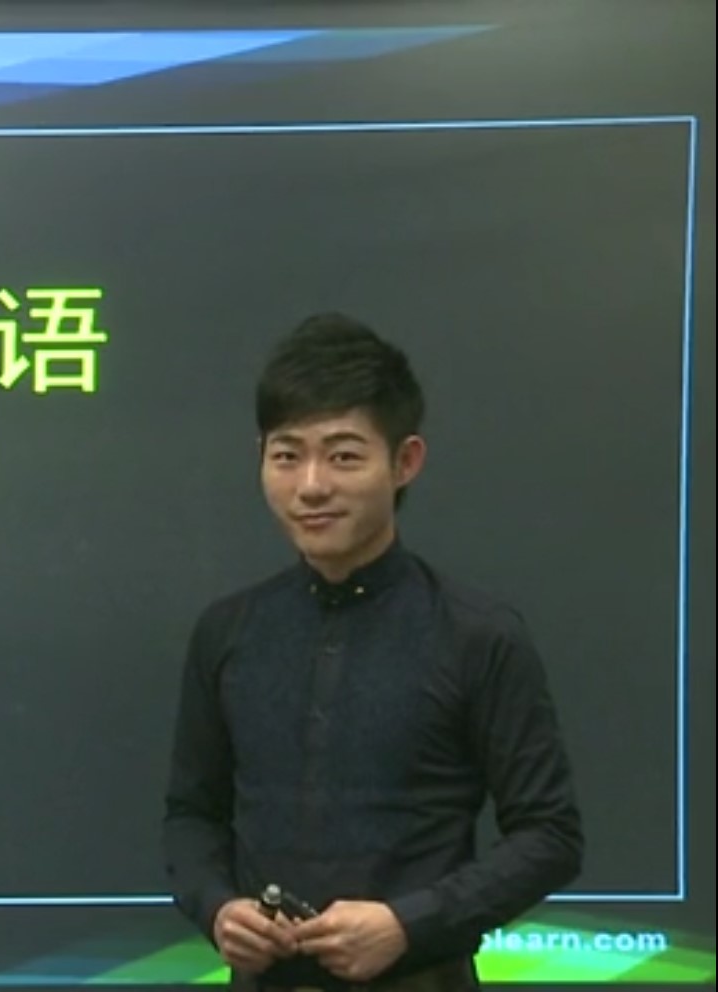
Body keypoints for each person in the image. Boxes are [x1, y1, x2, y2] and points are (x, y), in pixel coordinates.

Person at [160, 312, 583, 991]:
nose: (310, 486)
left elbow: (550, 836)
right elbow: (191, 816)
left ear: (404, 461)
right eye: (286, 455)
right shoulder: (228, 632)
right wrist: (218, 907)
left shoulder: (478, 634)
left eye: (344, 456)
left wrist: (408, 925)